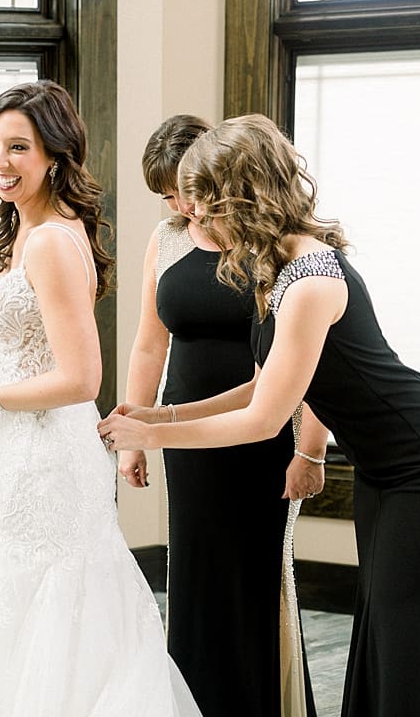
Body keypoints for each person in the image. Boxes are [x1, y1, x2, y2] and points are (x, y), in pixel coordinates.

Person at [100, 113, 420, 717]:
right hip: (386, 468)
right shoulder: (275, 267)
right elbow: (258, 384)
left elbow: (263, 418)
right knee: (385, 632)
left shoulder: (311, 277)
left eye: (207, 207)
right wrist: (158, 420)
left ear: (246, 195)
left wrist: (151, 431)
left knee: (404, 629)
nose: (196, 221)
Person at [0, 81, 201, 717]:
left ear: (54, 157)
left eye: (18, 147)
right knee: (27, 586)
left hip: (53, 451)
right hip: (27, 446)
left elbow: (82, 377)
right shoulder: (24, 230)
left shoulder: (51, 242)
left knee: (57, 588)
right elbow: (30, 337)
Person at [116, 114, 321, 717]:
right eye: (167, 194)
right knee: (196, 573)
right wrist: (139, 434)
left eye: (184, 188)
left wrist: (311, 449)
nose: (179, 204)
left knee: (255, 575)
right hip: (184, 433)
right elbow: (150, 343)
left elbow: (311, 365)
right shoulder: (168, 237)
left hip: (263, 431)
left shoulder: (262, 242)